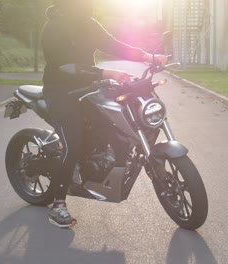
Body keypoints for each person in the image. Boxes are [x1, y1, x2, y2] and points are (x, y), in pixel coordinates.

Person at [41, 0, 168, 228]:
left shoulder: (88, 23)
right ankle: (58, 205)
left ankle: (101, 165)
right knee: (73, 144)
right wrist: (105, 72)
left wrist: (149, 57)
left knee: (113, 123)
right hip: (61, 90)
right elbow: (64, 66)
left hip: (89, 87)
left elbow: (115, 45)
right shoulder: (53, 28)